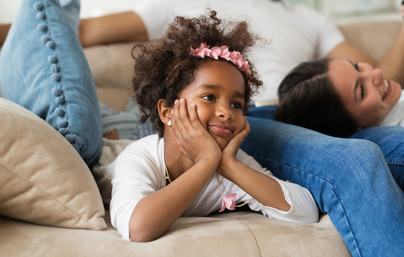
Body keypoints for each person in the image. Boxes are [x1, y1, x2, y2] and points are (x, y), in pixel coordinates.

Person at [2, 0, 404, 256]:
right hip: (260, 122)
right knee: (356, 162)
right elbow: (82, 32)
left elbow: (380, 83)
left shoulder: (310, 19)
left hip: (316, 123)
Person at [109, 12, 318, 242]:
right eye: (209, 97)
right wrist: (207, 161)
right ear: (168, 111)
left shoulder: (231, 163)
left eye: (236, 104)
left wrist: (228, 165)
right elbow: (137, 228)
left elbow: (305, 212)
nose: (226, 112)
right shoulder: (140, 157)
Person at [275, 58, 404, 144]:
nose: (377, 73)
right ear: (352, 126)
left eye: (357, 66)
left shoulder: (398, 100)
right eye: (362, 90)